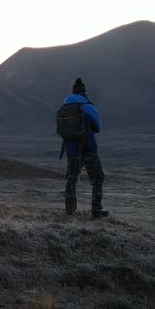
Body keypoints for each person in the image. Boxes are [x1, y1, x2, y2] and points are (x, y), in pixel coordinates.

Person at [59, 78, 108, 217]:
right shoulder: (88, 107)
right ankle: (96, 210)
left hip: (71, 150)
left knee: (71, 179)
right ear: (84, 92)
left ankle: (70, 211)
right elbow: (98, 128)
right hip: (88, 148)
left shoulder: (65, 107)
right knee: (97, 178)